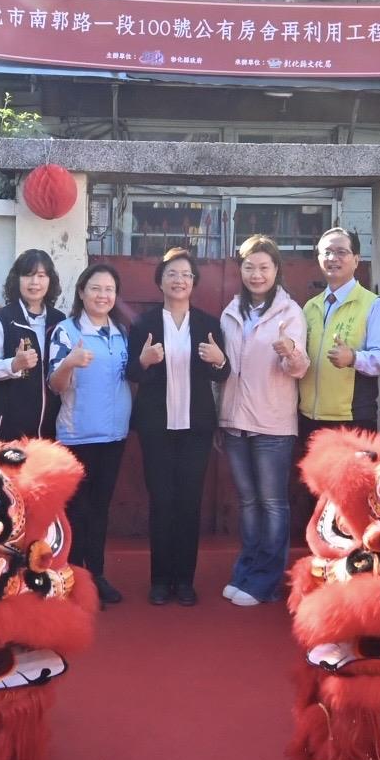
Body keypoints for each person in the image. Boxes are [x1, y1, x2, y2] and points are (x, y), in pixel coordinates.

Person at [127, 249, 231, 606]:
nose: (179, 280)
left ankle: (185, 581)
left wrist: (220, 361)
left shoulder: (208, 324)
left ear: (194, 282)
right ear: (160, 280)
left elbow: (222, 373)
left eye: (186, 274)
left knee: (189, 503)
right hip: (156, 427)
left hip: (195, 429)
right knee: (161, 502)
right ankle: (159, 581)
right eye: (172, 273)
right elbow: (131, 372)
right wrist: (144, 361)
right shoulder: (143, 324)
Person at [218, 235, 310, 607]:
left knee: (272, 503)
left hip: (272, 422)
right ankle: (246, 570)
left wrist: (290, 353)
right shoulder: (231, 311)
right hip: (234, 420)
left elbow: (299, 368)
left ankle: (266, 581)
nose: (256, 274)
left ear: (276, 270)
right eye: (249, 267)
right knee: (248, 502)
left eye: (264, 267)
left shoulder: (290, 312)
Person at [48, 264, 131, 606]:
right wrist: (69, 362)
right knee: (77, 511)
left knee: (100, 510)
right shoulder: (66, 331)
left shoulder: (121, 333)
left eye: (109, 289)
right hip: (77, 435)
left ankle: (96, 575)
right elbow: (55, 385)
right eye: (95, 288)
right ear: (81, 292)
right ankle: (73, 577)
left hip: (114, 435)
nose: (102, 295)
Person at [298, 227, 380, 434]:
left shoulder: (372, 304)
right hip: (309, 417)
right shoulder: (310, 307)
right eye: (327, 252)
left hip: (352, 419)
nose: (333, 258)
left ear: (356, 260)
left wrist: (353, 358)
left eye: (341, 252)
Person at [0, 249, 65, 442]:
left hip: (49, 428)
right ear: (16, 279)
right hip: (8, 429)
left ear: (50, 280)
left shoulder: (59, 320)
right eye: (28, 275)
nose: (34, 282)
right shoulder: (1, 319)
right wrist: (14, 365)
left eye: (41, 276)